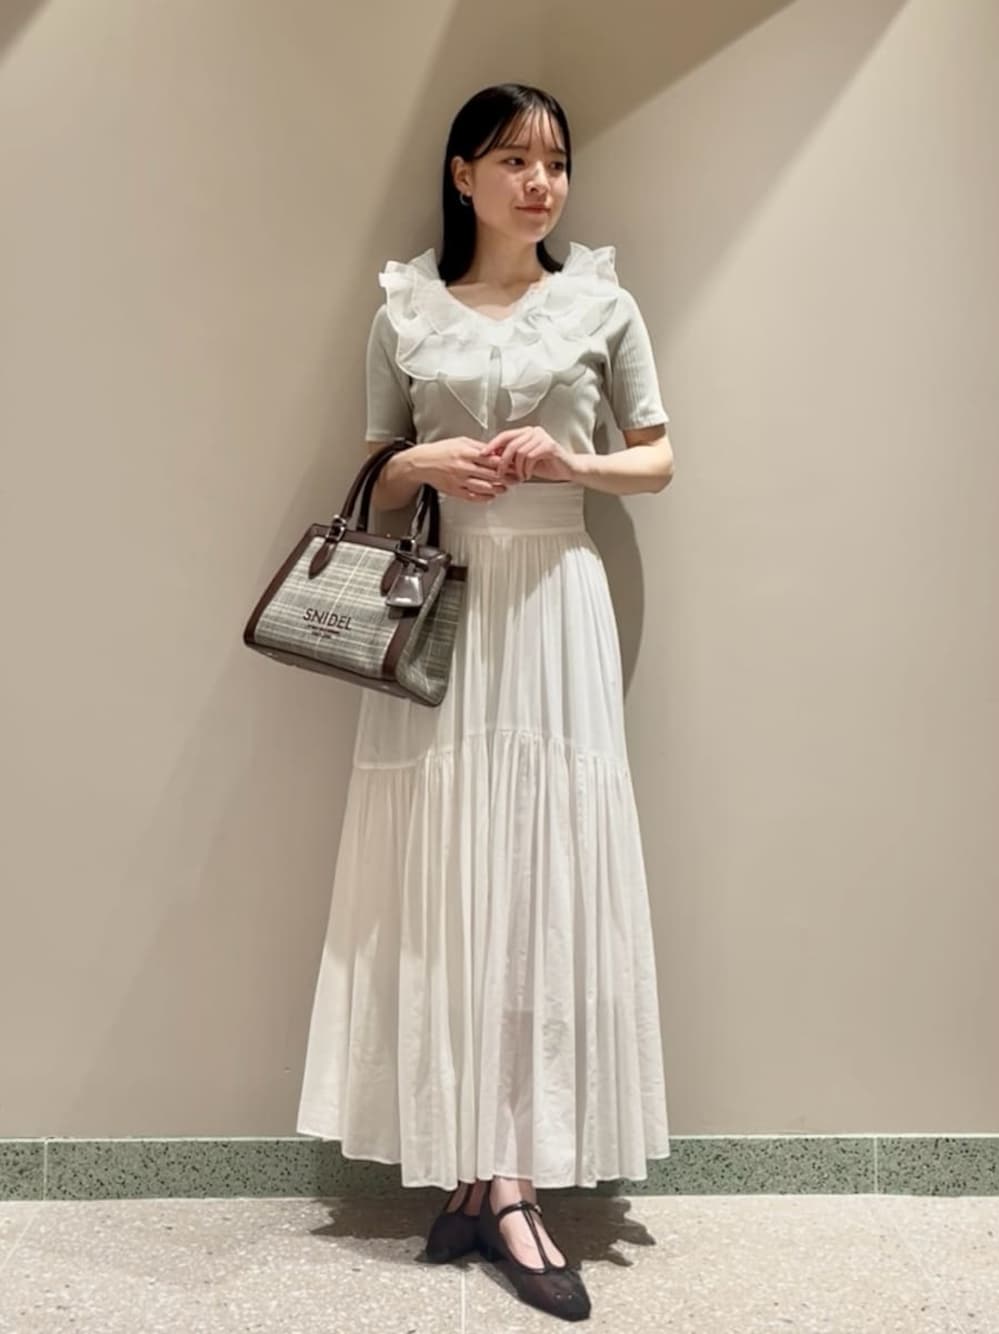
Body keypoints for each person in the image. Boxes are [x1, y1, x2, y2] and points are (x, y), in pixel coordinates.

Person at [296, 82, 675, 1323]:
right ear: (462, 175)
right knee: (450, 865)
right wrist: (421, 460)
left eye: (554, 161)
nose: (539, 182)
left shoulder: (601, 303)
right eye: (513, 159)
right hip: (438, 607)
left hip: (556, 598)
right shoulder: (403, 310)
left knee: (540, 863)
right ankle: (472, 1163)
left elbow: (659, 456)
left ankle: (509, 1177)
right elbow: (373, 464)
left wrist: (572, 461)